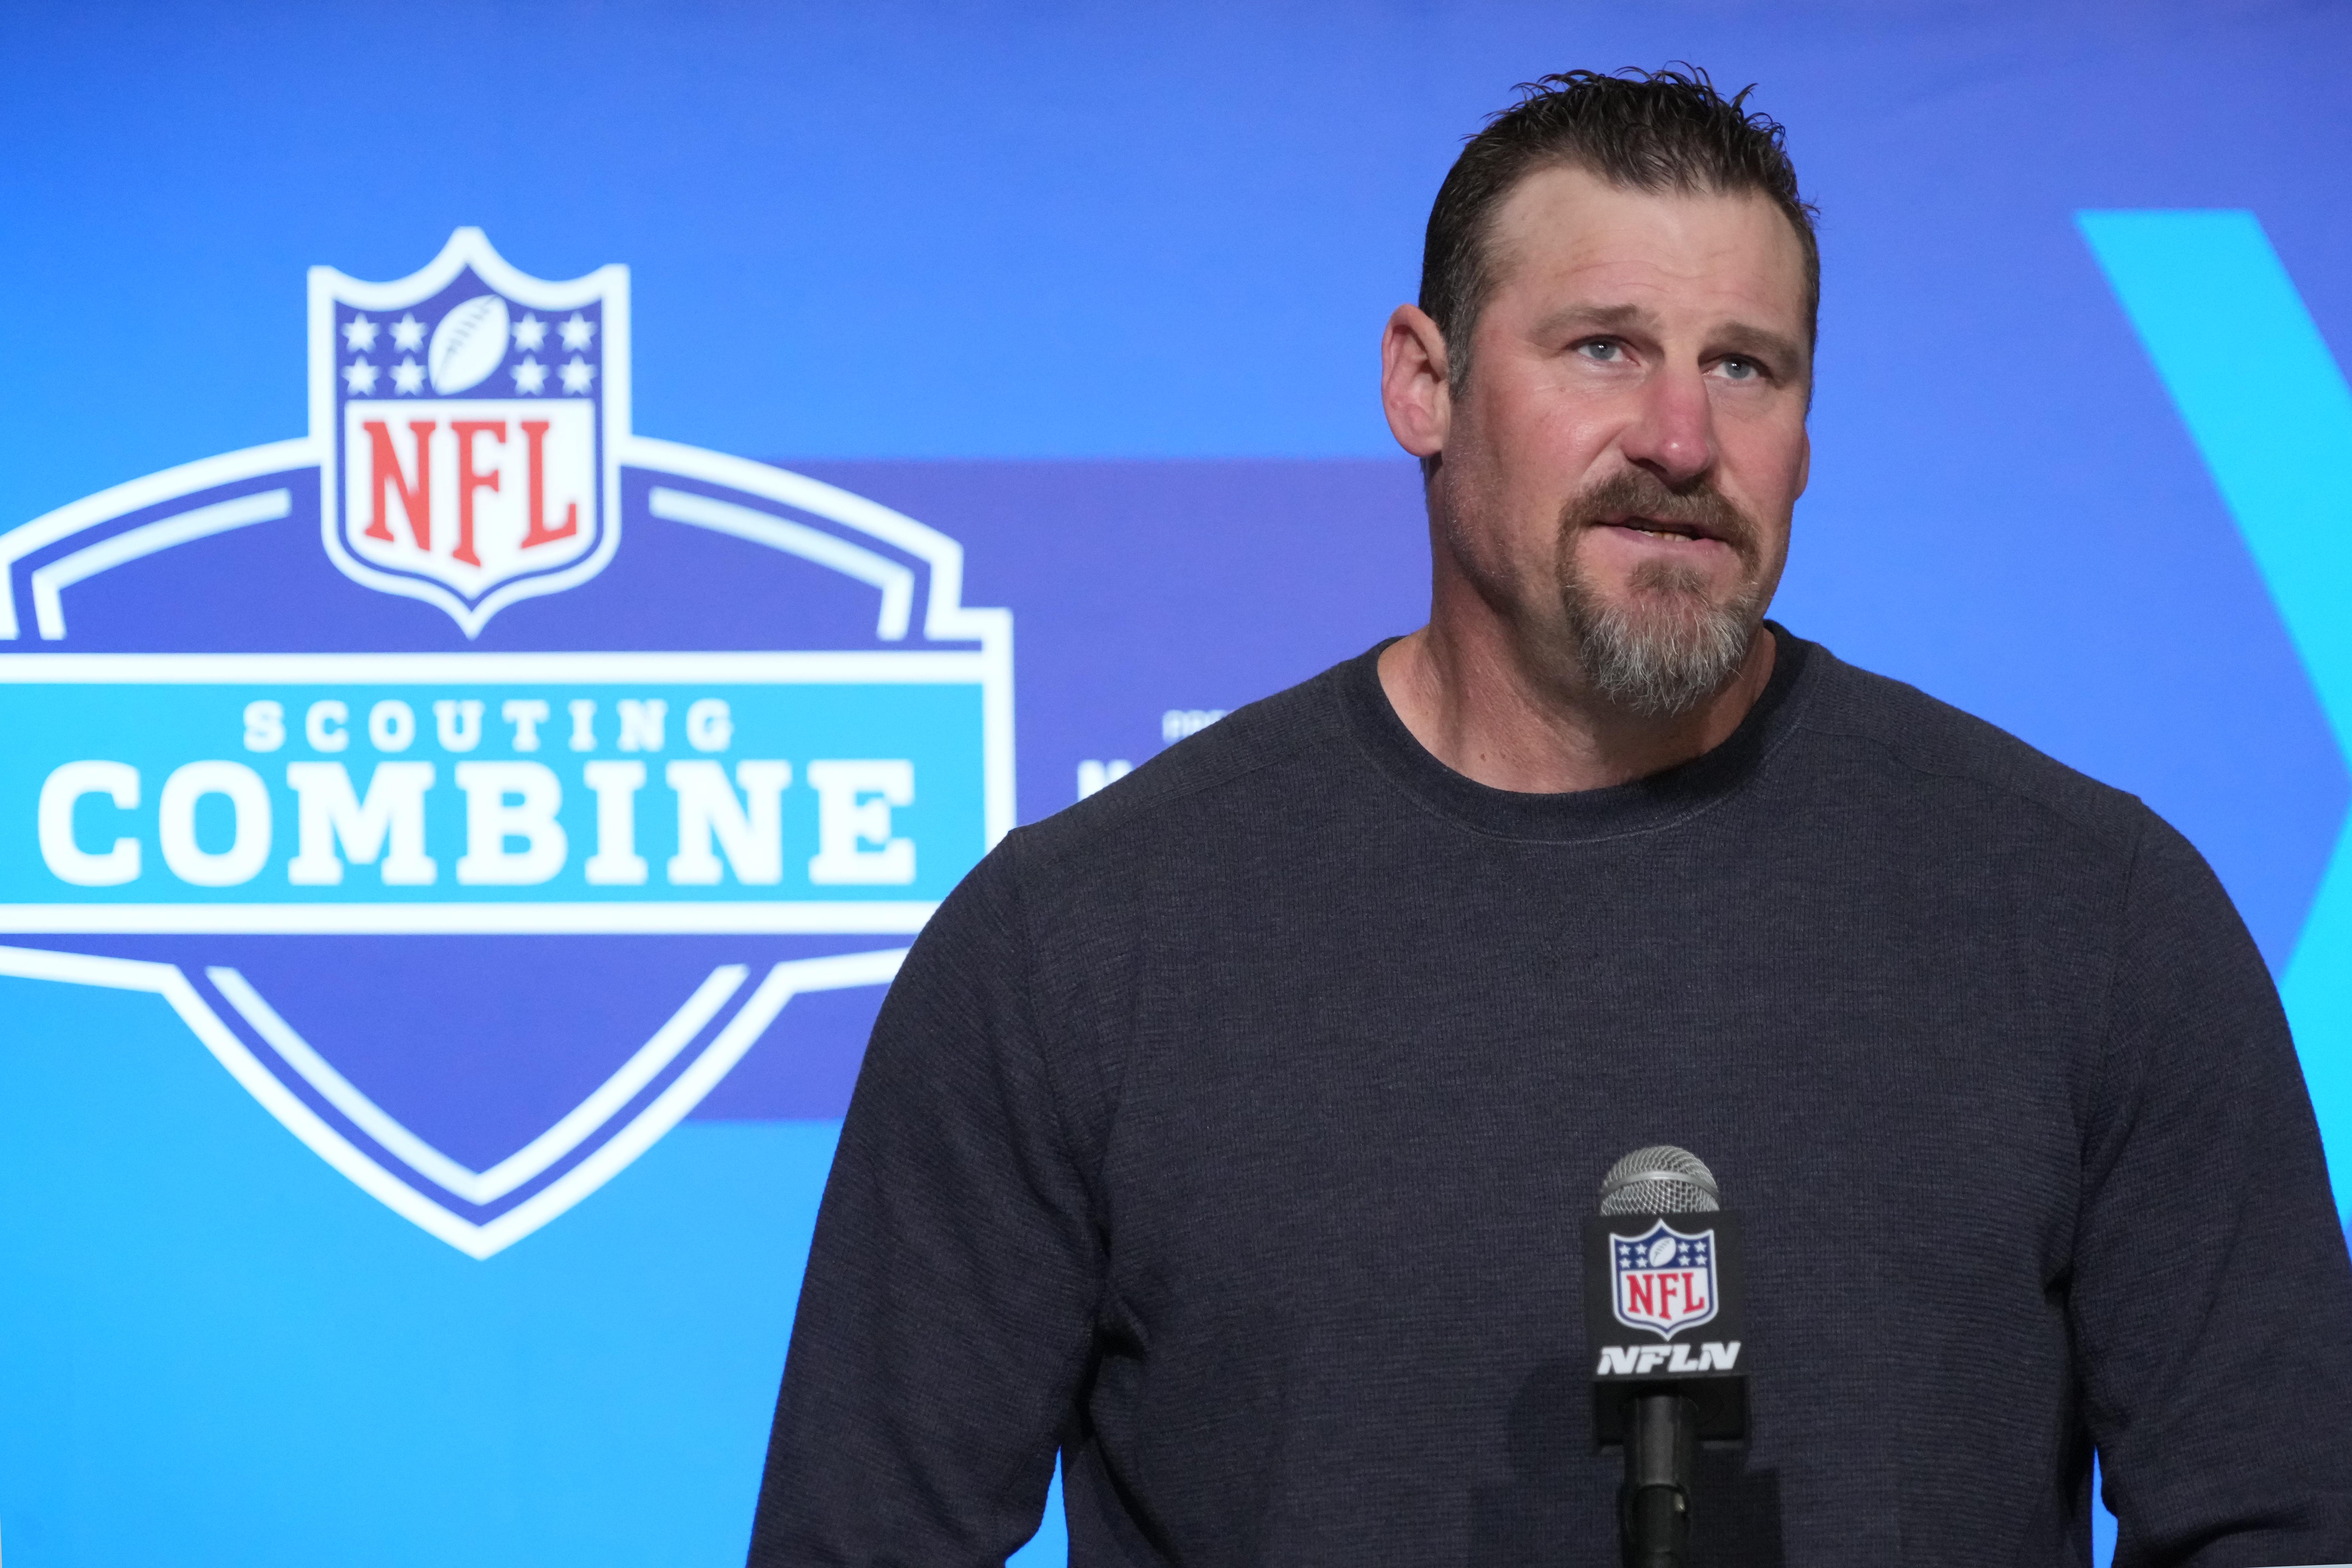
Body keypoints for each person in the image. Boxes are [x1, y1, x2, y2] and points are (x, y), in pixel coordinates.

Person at [748, 68, 2352, 1566]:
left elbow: (2286, 1518)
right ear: (1423, 382)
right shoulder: (1078, 947)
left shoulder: (2091, 916)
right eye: (1604, 348)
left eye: (1746, 366)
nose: (1677, 438)